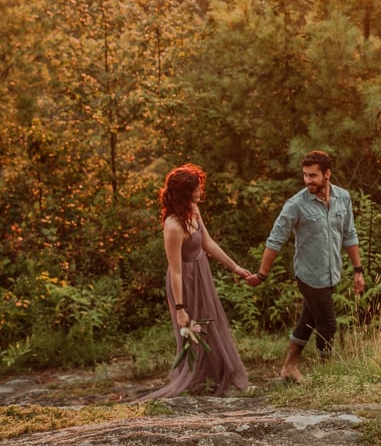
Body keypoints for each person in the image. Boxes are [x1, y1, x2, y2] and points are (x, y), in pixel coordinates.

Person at [246, 150, 365, 382]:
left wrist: (358, 270)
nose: (308, 180)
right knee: (328, 324)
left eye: (313, 176)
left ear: (327, 174)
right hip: (309, 275)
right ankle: (326, 374)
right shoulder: (296, 205)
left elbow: (350, 235)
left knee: (308, 321)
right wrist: (262, 274)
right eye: (305, 175)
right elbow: (275, 239)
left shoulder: (343, 198)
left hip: (332, 273)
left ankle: (289, 368)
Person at [140, 163, 251, 399]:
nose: (201, 192)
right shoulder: (173, 225)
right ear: (185, 192)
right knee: (193, 330)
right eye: (197, 189)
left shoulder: (193, 211)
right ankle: (195, 380)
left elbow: (208, 244)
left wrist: (235, 267)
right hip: (184, 282)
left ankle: (215, 378)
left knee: (210, 326)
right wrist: (179, 308)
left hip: (202, 273)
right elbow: (175, 270)